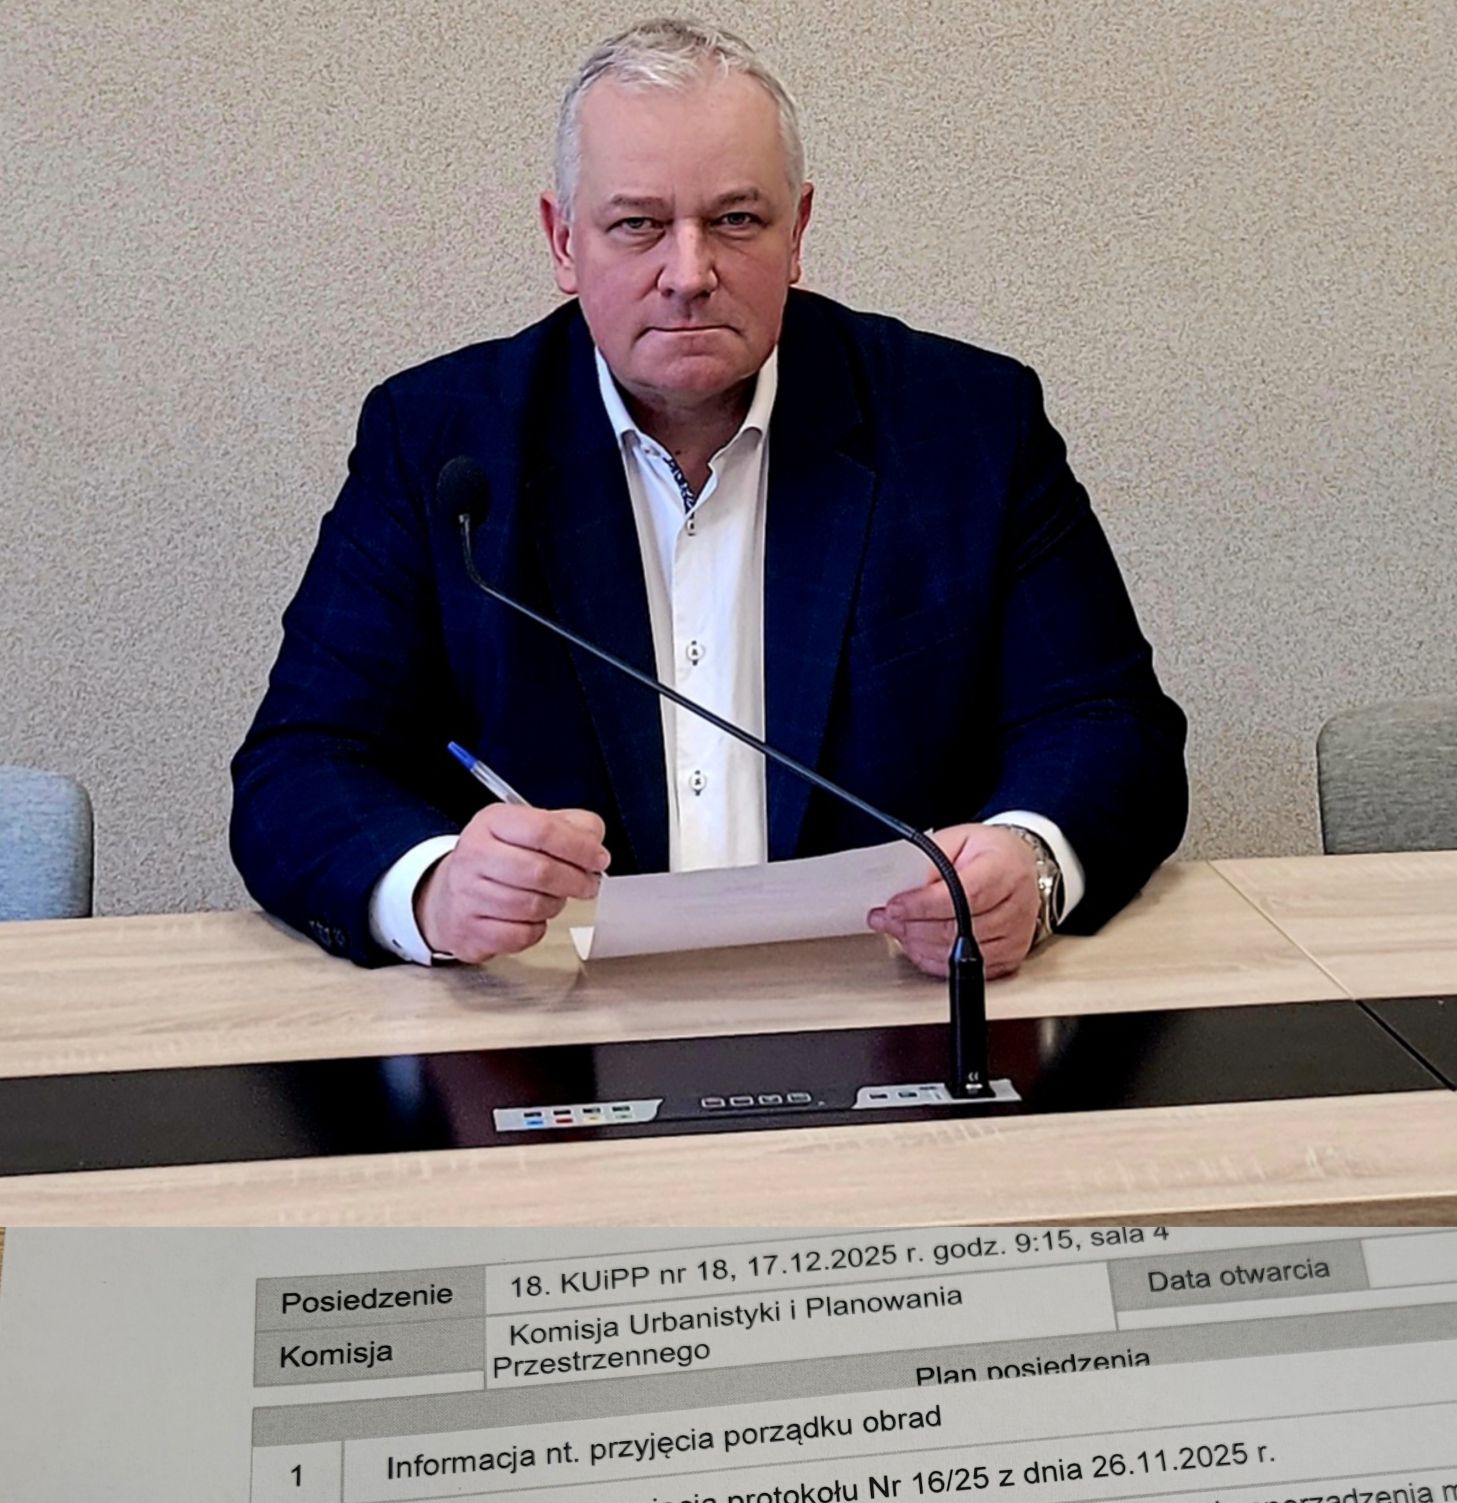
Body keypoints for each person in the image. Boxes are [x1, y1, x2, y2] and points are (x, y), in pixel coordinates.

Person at [230, 18, 1186, 978]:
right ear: (563, 242)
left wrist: (1031, 863)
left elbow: (1110, 726)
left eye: (735, 220)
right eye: (637, 225)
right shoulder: (438, 444)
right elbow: (300, 766)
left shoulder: (968, 425)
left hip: (890, 1000)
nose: (688, 275)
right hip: (554, 1014)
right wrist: (433, 887)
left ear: (797, 231)